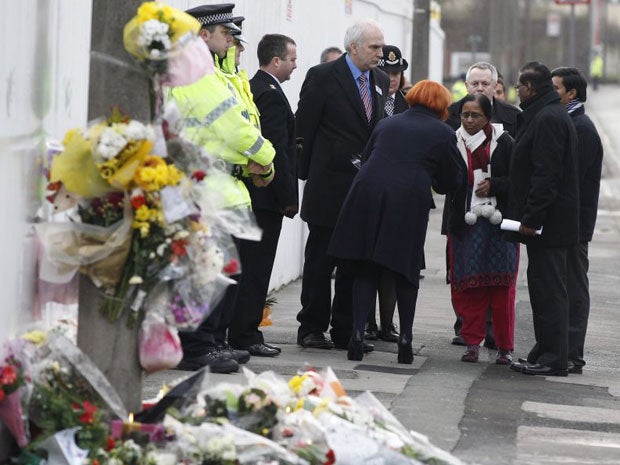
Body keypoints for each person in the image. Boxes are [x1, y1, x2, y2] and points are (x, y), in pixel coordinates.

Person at [169, 3, 276, 374]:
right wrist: (265, 154)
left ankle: (211, 342)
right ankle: (197, 346)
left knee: (225, 271)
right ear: (202, 34)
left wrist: (253, 160)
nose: (232, 40)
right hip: (206, 187)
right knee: (209, 272)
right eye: (225, 34)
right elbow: (230, 125)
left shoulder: (208, 70)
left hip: (221, 183)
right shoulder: (197, 74)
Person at [328, 80, 462, 363]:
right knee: (405, 269)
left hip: (365, 195)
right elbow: (452, 180)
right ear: (441, 105)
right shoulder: (442, 132)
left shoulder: (387, 124)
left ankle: (358, 334)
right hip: (406, 202)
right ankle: (406, 338)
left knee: (366, 267)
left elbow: (367, 158)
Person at [295, 19, 389, 351]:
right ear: (353, 47)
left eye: (381, 46)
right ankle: (311, 327)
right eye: (374, 47)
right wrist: (305, 176)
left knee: (355, 261)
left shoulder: (379, 79)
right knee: (321, 260)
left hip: (362, 189)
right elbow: (303, 129)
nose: (381, 53)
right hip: (329, 186)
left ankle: (346, 328)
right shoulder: (323, 77)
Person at [228, 34, 299, 357]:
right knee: (256, 269)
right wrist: (288, 197)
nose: (295, 65)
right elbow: (275, 151)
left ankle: (242, 330)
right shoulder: (269, 94)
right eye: (292, 59)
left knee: (250, 267)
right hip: (265, 196)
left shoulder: (257, 87)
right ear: (276, 61)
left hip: (255, 196)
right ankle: (246, 335)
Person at [508, 62, 579, 377]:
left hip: (548, 225)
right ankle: (544, 351)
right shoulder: (545, 114)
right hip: (547, 224)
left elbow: (546, 175)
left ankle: (553, 358)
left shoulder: (548, 119)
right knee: (541, 288)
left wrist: (532, 218)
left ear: (529, 88)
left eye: (518, 86)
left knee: (549, 290)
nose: (516, 92)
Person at [445, 61, 520, 348]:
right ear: (467, 86)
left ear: (494, 86)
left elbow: (518, 169)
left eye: (484, 84)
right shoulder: (452, 115)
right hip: (462, 210)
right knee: (464, 272)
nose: (479, 88)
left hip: (500, 214)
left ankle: (496, 336)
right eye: (474, 83)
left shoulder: (512, 118)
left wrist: (497, 185)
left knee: (498, 278)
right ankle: (466, 327)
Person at [551, 66, 604, 374]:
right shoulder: (569, 123)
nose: (550, 93)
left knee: (573, 286)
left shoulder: (580, 128)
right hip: (567, 223)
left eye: (555, 88)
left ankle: (572, 352)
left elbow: (571, 180)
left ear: (571, 93)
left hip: (574, 226)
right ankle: (562, 349)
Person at [365, 44, 409, 343]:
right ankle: (366, 321)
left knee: (393, 264)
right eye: (386, 72)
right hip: (371, 190)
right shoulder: (369, 100)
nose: (392, 78)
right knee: (366, 261)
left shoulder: (410, 105)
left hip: (400, 195)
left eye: (397, 72)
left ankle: (388, 323)